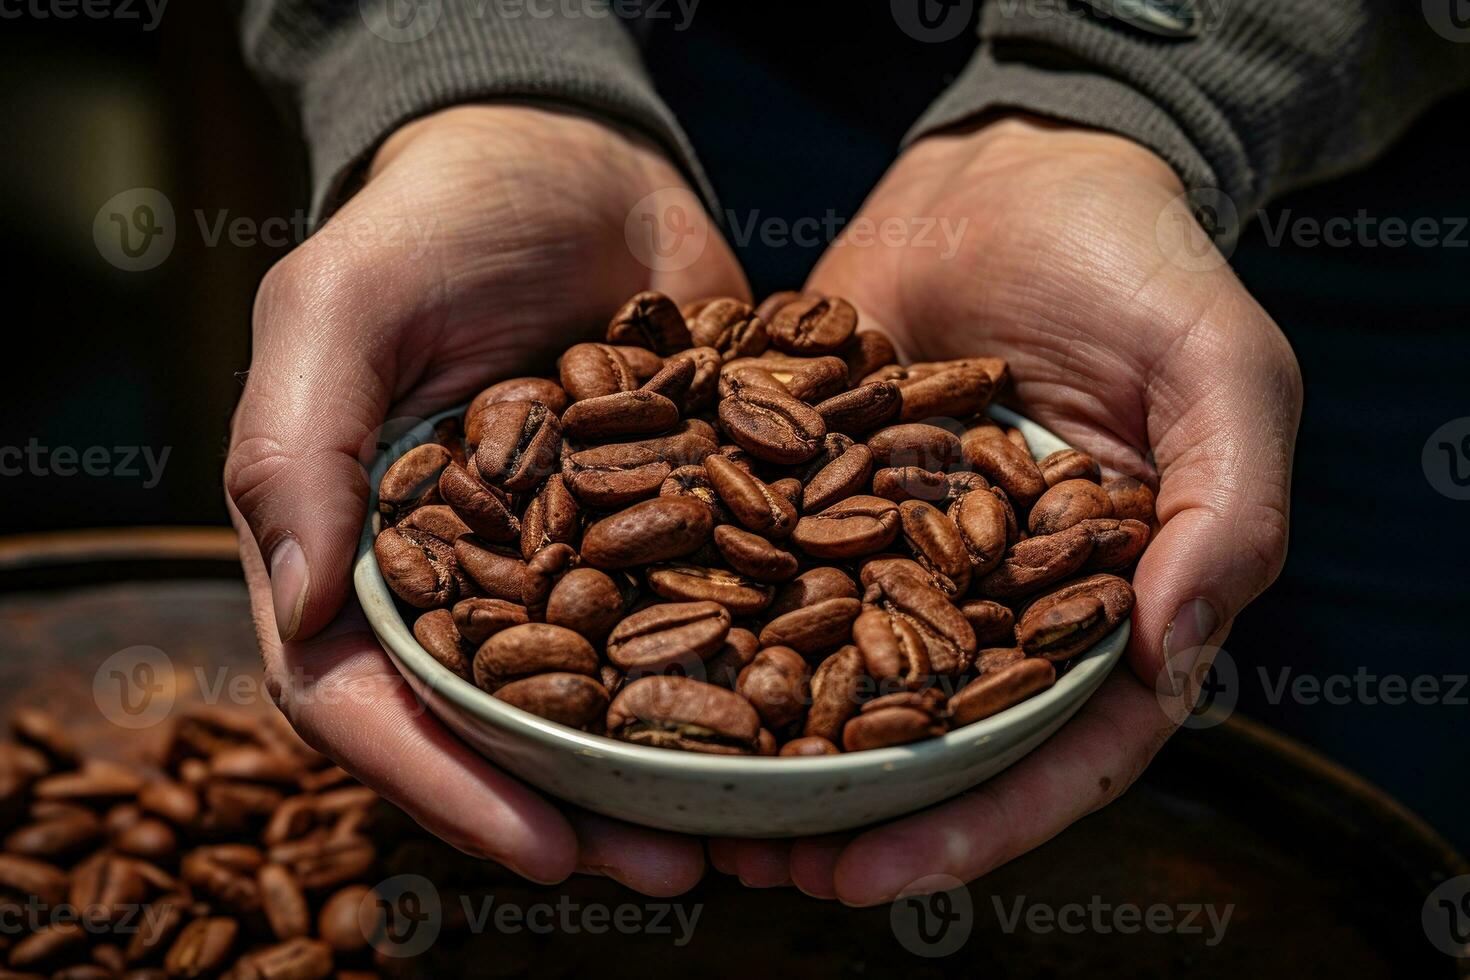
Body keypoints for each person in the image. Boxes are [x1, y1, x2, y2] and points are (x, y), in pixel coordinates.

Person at [224, 1, 1470, 904]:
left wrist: (1133, 86)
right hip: (693, 58)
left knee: (1325, 784)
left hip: (1336, 154)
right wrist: (476, 73)